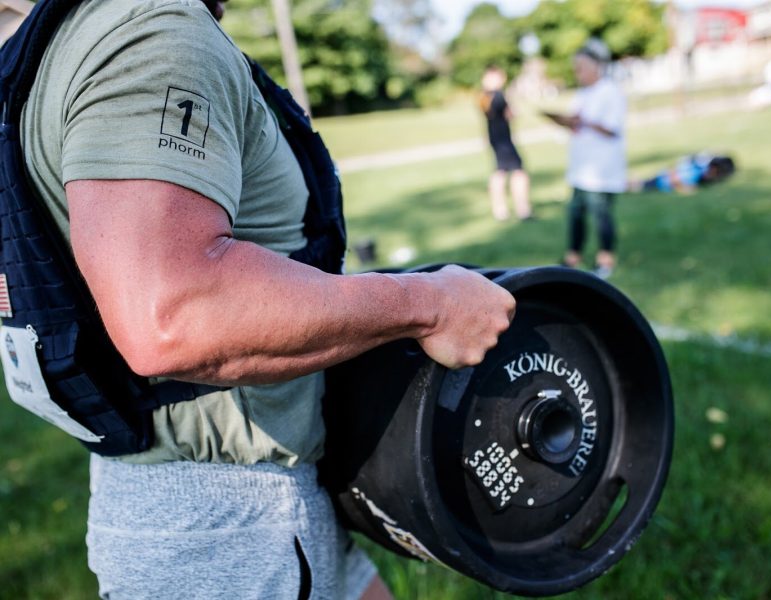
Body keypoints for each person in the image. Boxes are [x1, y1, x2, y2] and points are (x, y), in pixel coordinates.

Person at [20, 0, 516, 598]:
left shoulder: (63, 38)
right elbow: (175, 314)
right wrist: (427, 304)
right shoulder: (153, 35)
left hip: (226, 489)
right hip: (234, 516)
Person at [543, 38, 626, 279]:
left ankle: (605, 260)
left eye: (581, 67)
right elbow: (575, 123)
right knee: (576, 213)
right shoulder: (582, 94)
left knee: (601, 216)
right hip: (580, 169)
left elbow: (612, 128)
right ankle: (572, 257)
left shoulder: (611, 92)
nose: (577, 73)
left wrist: (583, 121)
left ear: (596, 67)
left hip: (602, 169)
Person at [479, 66, 532, 221]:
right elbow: (511, 114)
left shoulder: (484, 96)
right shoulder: (498, 95)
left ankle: (500, 209)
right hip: (504, 140)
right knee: (517, 172)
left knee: (499, 172)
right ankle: (522, 209)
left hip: (495, 139)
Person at [629, 153, 736, 194]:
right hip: (664, 178)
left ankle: (629, 184)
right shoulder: (699, 167)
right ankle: (630, 184)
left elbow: (684, 185)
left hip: (665, 180)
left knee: (644, 184)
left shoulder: (698, 175)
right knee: (644, 183)